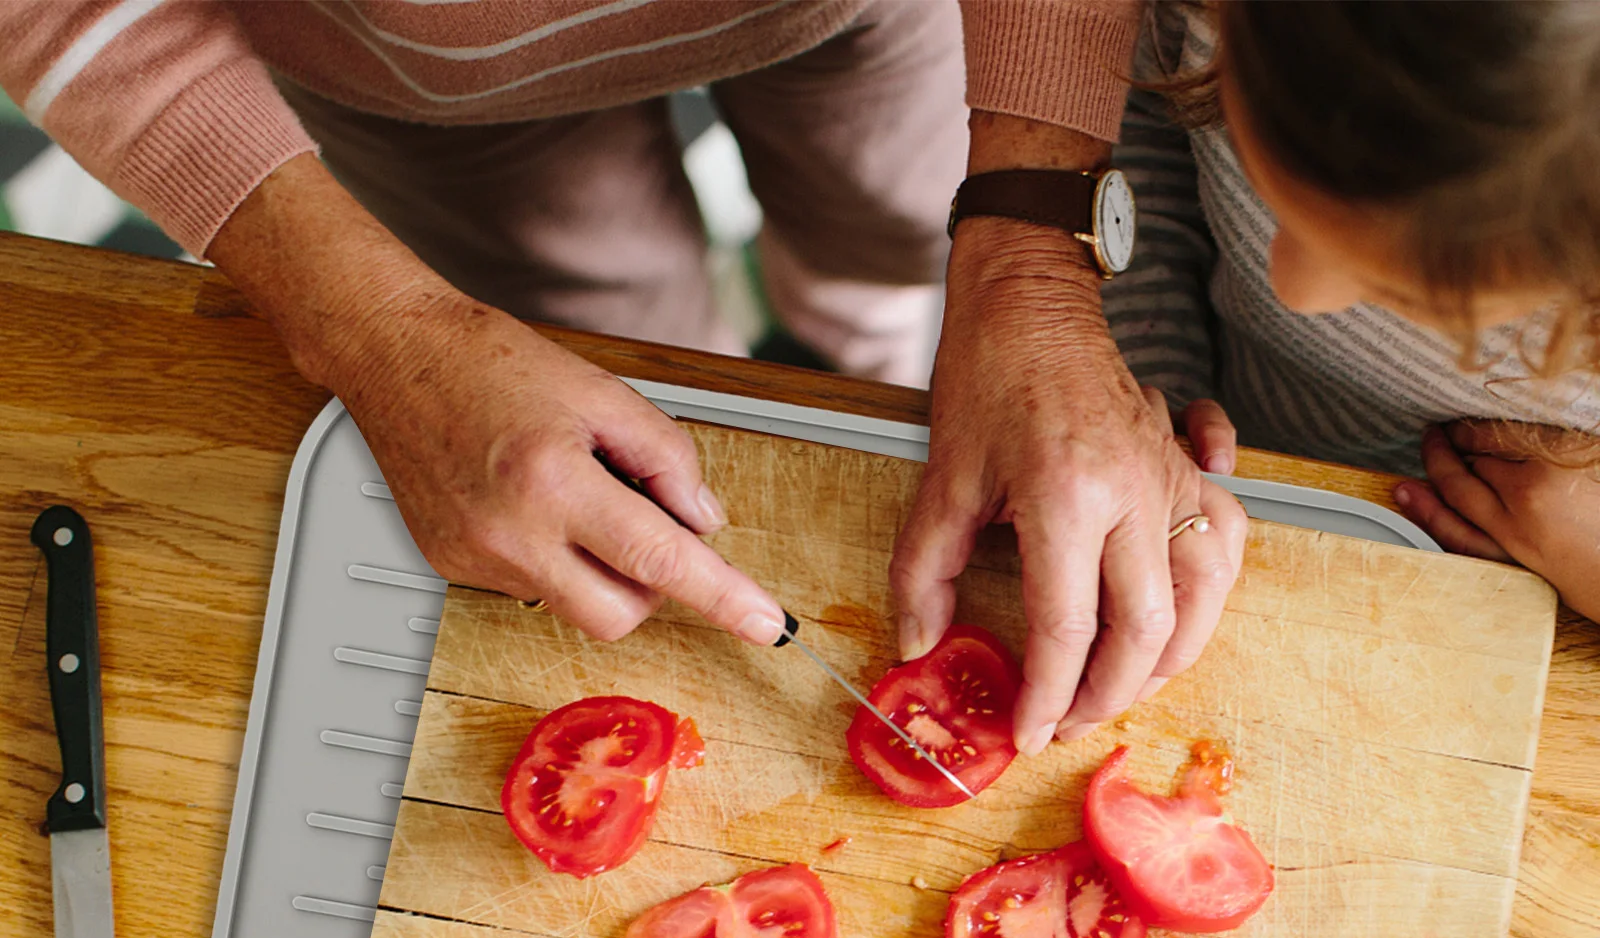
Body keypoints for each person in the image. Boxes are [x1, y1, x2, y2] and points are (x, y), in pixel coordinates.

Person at [0, 0, 1241, 757]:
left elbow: (980, 247)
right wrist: (374, 328)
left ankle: (862, 374)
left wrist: (1023, 256)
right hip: (414, 82)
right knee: (606, 336)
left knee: (885, 258)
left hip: (882, 18)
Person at [1103, 0, 1600, 622]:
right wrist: (1151, 389)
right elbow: (1144, 133)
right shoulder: (1227, 19)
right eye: (1272, 198)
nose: (1295, 293)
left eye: (1408, 293)